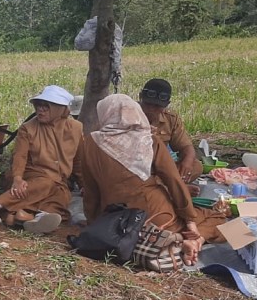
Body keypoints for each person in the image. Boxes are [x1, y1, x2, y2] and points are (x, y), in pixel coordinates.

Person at [79, 95, 227, 265]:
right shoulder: (148, 140)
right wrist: (189, 220)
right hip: (156, 215)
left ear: (105, 115)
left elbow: (91, 192)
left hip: (116, 220)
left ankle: (178, 239)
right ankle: (192, 239)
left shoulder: (90, 143)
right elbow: (174, 181)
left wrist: (95, 225)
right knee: (216, 217)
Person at [0, 85, 82, 234]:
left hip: (59, 180)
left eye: (46, 106)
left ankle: (24, 216)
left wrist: (83, 185)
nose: (40, 110)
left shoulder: (76, 128)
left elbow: (78, 160)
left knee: (62, 196)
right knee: (45, 184)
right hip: (32, 174)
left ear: (60, 109)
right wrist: (18, 178)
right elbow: (20, 155)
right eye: (38, 105)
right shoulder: (28, 128)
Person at [138, 78, 203, 184]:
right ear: (140, 97)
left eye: (157, 106)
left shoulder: (170, 118)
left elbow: (186, 147)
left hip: (159, 169)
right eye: (148, 104)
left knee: (196, 166)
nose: (151, 109)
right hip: (135, 168)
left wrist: (187, 163)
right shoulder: (128, 113)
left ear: (166, 105)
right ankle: (169, 186)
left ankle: (163, 185)